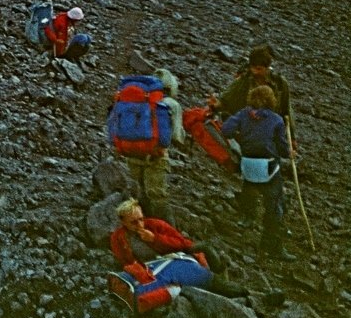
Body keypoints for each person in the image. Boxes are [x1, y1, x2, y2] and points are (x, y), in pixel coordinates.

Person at [111, 198, 246, 297]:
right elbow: (126, 262)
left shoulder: (155, 225)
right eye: (133, 222)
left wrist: (155, 239)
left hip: (175, 257)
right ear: (123, 222)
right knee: (203, 280)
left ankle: (226, 281)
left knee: (206, 249)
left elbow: (180, 243)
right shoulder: (118, 238)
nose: (140, 224)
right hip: (155, 269)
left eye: (141, 219)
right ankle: (232, 290)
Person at [221, 85, 295, 262]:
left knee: (250, 189)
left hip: (248, 165)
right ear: (271, 100)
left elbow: (226, 130)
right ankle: (272, 247)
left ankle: (246, 216)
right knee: (275, 208)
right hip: (268, 168)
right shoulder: (276, 120)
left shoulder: (242, 114)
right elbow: (283, 147)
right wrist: (289, 153)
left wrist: (243, 136)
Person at [119, 69, 185, 222]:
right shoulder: (171, 104)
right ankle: (168, 231)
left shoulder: (133, 99)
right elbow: (176, 136)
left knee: (138, 190)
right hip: (156, 155)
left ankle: (142, 223)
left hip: (132, 153)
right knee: (157, 194)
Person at [209, 45, 292, 131]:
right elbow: (226, 99)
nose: (255, 72)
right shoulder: (244, 80)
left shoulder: (280, 83)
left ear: (267, 68)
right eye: (252, 68)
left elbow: (287, 112)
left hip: (270, 129)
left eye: (259, 69)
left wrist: (292, 137)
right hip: (246, 127)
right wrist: (215, 105)